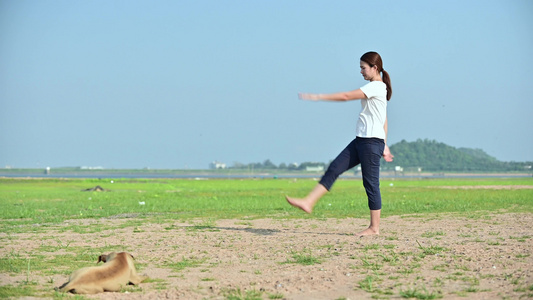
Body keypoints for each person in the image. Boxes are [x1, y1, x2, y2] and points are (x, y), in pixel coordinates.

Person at [286, 51, 394, 237]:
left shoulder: (377, 87)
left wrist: (318, 97)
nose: (361, 71)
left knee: (371, 184)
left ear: (374, 68)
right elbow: (383, 119)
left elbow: (345, 96)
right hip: (362, 141)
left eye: (363, 68)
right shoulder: (376, 88)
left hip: (370, 143)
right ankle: (308, 202)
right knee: (335, 167)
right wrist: (385, 144)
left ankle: (374, 228)